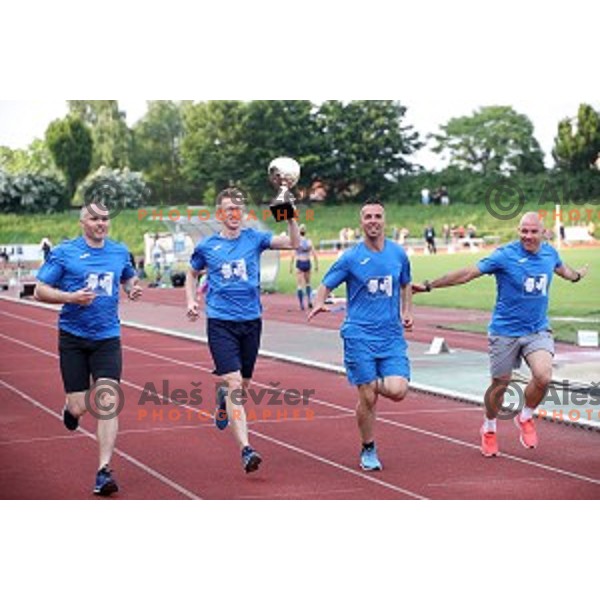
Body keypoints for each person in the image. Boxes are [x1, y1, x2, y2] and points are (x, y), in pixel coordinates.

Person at [413, 212, 589, 457]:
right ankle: (489, 426)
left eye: (532, 232)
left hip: (536, 330)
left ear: (543, 232)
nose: (527, 236)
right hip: (505, 332)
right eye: (523, 231)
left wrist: (577, 276)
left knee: (543, 376)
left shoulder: (550, 253)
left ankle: (526, 416)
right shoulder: (505, 255)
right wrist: (430, 285)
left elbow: (564, 270)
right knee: (500, 385)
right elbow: (467, 273)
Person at [185, 187, 300, 474]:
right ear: (220, 214)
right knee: (235, 383)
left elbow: (293, 243)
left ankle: (224, 399)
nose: (233, 214)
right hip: (221, 323)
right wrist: (191, 299)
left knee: (243, 386)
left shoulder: (256, 239)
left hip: (251, 322)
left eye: (238, 209)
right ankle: (246, 450)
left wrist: (289, 214)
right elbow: (192, 273)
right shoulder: (207, 246)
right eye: (228, 209)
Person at [34, 202, 142, 496]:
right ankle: (71, 409)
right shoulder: (64, 253)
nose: (101, 223)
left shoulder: (119, 251)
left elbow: (128, 274)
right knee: (80, 406)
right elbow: (39, 290)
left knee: (108, 402)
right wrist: (71, 297)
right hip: (73, 338)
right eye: (94, 219)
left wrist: (132, 286)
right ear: (83, 222)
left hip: (107, 338)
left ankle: (103, 470)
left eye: (105, 219)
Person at [308, 199, 414, 471]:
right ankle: (368, 447)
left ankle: (361, 378)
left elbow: (406, 284)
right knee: (367, 397)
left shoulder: (398, 254)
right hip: (359, 334)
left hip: (391, 335)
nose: (373, 221)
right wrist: (319, 301)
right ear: (361, 222)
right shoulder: (351, 258)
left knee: (398, 390)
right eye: (368, 217)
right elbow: (326, 285)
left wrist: (407, 311)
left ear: (384, 220)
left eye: (377, 216)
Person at [289, 224, 319, 310]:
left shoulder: (297, 242)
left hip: (300, 262)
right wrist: (317, 265)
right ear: (305, 232)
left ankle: (301, 304)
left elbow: (293, 255)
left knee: (299, 285)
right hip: (307, 262)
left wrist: (290, 266)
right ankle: (309, 301)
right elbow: (314, 254)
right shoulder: (309, 242)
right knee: (308, 283)